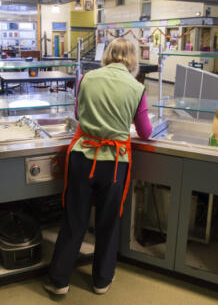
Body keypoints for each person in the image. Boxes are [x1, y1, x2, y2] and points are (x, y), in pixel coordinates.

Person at [43, 38, 152, 296]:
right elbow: (145, 132)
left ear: (107, 55)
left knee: (74, 220)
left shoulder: (86, 79)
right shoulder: (137, 88)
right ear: (133, 59)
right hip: (114, 163)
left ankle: (59, 281)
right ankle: (102, 280)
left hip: (83, 157)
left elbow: (79, 116)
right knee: (107, 223)